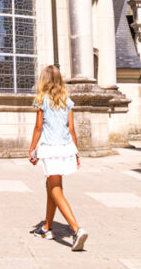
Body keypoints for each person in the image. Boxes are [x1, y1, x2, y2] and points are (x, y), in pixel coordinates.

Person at [29, 64, 88, 252]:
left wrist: (32, 149)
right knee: (52, 187)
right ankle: (47, 227)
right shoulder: (67, 101)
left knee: (55, 190)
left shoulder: (42, 100)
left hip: (51, 148)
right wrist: (76, 151)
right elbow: (71, 129)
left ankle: (76, 229)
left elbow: (38, 128)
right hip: (66, 147)